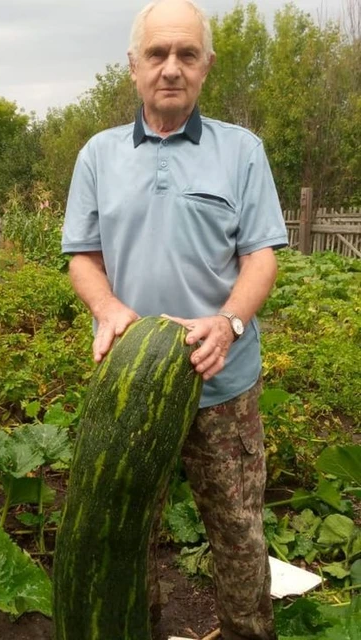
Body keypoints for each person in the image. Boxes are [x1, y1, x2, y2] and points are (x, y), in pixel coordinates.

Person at [60, 0, 289, 638]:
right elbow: (82, 256)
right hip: (131, 385)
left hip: (223, 382)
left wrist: (230, 322)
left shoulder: (242, 151)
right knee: (124, 535)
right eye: (157, 54)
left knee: (239, 535)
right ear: (133, 66)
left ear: (206, 67)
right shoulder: (98, 155)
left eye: (186, 54)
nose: (171, 68)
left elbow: (261, 256)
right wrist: (106, 307)